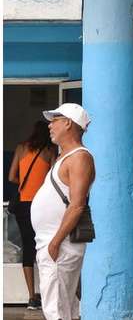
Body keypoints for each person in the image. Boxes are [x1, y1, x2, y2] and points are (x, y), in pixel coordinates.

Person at [31, 103, 95, 320]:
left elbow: (77, 205)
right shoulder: (65, 157)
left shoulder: (80, 157)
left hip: (60, 244)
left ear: (68, 123)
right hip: (54, 244)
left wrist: (55, 243)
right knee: (61, 308)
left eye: (55, 120)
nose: (50, 125)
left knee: (56, 310)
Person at [7, 121, 57, 310]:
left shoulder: (21, 148)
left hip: (23, 205)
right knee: (46, 246)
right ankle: (48, 293)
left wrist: (25, 185)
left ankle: (31, 297)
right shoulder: (50, 150)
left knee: (29, 247)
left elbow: (11, 177)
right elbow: (53, 179)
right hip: (42, 204)